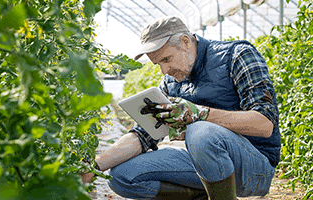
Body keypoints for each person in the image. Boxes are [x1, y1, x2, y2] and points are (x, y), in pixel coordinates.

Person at [81, 16, 281, 200]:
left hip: (254, 167)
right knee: (121, 176)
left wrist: (201, 113)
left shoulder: (237, 56)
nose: (164, 70)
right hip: (205, 164)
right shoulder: (170, 83)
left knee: (199, 130)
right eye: (158, 63)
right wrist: (94, 167)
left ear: (186, 41)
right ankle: (212, 194)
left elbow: (265, 124)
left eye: (166, 59)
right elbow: (142, 136)